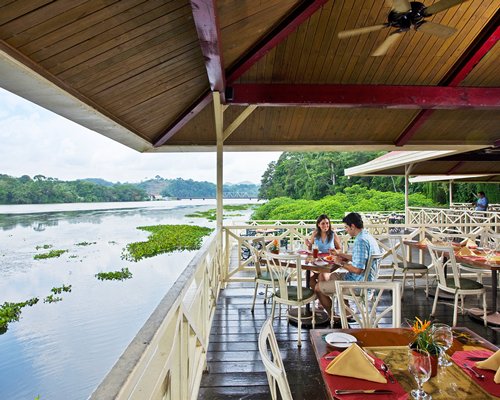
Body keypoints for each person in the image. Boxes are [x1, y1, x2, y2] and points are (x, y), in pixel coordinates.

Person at [314, 212, 381, 317]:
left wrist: (340, 262)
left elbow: (357, 270)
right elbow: (360, 258)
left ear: (352, 226)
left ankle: (334, 317)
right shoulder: (367, 236)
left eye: (346, 227)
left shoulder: (360, 241)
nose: (346, 230)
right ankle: (346, 312)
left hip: (358, 284)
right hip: (366, 280)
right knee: (333, 276)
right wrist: (340, 254)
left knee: (317, 288)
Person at [305, 214, 341, 290]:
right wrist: (308, 245)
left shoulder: (332, 234)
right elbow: (310, 247)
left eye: (327, 223)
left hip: (329, 263)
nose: (326, 225)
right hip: (318, 262)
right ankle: (320, 296)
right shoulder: (315, 233)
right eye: (323, 223)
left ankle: (322, 299)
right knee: (309, 277)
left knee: (322, 277)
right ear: (319, 225)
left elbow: (339, 249)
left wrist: (335, 252)